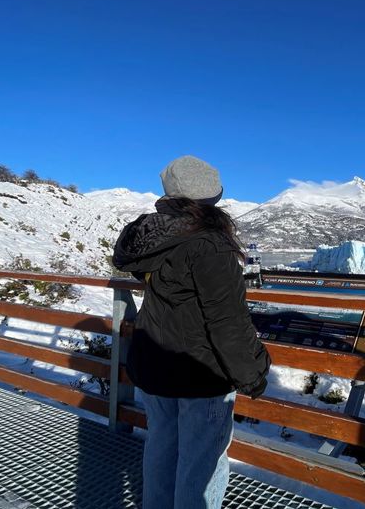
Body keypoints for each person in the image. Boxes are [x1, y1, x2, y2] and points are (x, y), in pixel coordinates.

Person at [112, 156, 270, 509]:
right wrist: (254, 373)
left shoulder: (153, 238)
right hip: (201, 374)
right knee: (202, 467)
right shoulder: (211, 245)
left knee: (161, 450)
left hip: (154, 365)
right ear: (212, 196)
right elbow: (227, 320)